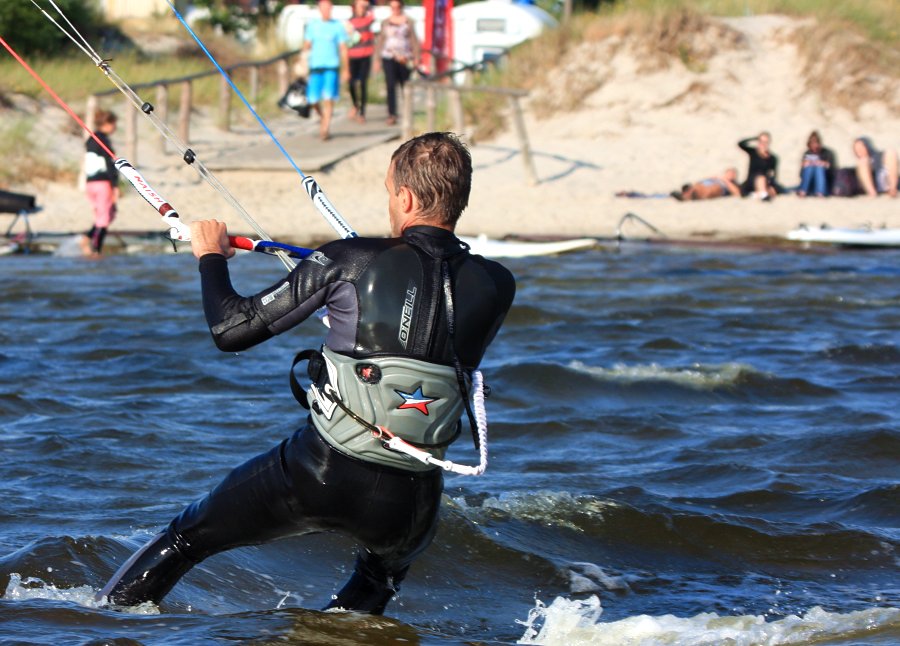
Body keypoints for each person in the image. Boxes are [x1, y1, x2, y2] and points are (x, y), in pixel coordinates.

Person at [96, 132, 517, 615]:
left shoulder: (350, 259)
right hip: (411, 502)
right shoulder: (498, 283)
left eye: (388, 193)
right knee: (377, 581)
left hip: (322, 471)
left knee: (186, 540)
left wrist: (210, 256)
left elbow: (232, 330)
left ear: (404, 196)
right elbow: (422, 321)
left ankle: (96, 624)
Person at [304, 0, 350, 141]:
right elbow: (306, 46)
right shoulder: (312, 26)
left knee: (329, 98)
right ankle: (323, 116)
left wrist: (346, 69)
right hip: (315, 67)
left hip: (331, 66)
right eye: (324, 8)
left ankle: (325, 128)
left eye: (328, 8)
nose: (326, 11)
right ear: (319, 9)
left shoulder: (337, 26)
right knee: (312, 100)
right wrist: (302, 64)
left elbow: (343, 49)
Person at [80, 109, 119, 257]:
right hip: (102, 183)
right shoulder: (103, 140)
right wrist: (115, 186)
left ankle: (87, 237)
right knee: (104, 218)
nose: (115, 127)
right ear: (108, 124)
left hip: (90, 183)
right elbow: (109, 164)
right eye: (114, 124)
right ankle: (96, 251)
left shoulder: (91, 139)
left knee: (104, 215)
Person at [375, 0, 420, 126]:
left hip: (405, 57)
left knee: (405, 85)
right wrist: (377, 59)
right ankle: (392, 114)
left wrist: (416, 57)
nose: (395, 9)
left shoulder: (408, 21)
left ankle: (407, 111)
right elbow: (381, 41)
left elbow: (414, 39)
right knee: (390, 85)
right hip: (389, 56)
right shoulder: (385, 22)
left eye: (397, 7)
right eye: (392, 7)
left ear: (401, 7)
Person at [346, 0, 375, 123]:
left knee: (363, 83)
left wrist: (366, 5)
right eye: (360, 6)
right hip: (352, 56)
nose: (362, 8)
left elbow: (373, 13)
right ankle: (355, 104)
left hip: (365, 56)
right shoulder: (349, 23)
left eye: (364, 7)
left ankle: (362, 113)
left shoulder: (368, 19)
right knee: (352, 83)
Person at [738, 131, 779, 200]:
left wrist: (771, 185)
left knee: (773, 188)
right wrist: (754, 138)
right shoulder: (753, 152)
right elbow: (740, 144)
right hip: (752, 181)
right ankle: (763, 195)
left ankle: (758, 194)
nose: (763, 144)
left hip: (765, 182)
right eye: (761, 142)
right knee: (760, 177)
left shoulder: (773, 158)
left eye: (765, 142)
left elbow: (773, 174)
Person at [797, 130, 837, 197]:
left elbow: (833, 171)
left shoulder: (827, 153)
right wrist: (804, 166)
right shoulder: (807, 153)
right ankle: (803, 191)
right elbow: (801, 175)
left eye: (816, 143)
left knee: (819, 168)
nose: (814, 146)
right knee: (809, 167)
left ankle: (820, 192)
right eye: (812, 143)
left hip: (825, 184)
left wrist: (824, 164)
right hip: (810, 183)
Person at [671, 167, 741, 200]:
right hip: (703, 185)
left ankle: (687, 196)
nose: (730, 175)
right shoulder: (717, 178)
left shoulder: (733, 184)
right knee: (697, 186)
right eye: (729, 173)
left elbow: (737, 193)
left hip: (716, 188)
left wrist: (726, 181)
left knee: (712, 189)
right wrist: (712, 178)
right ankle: (687, 193)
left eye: (732, 174)